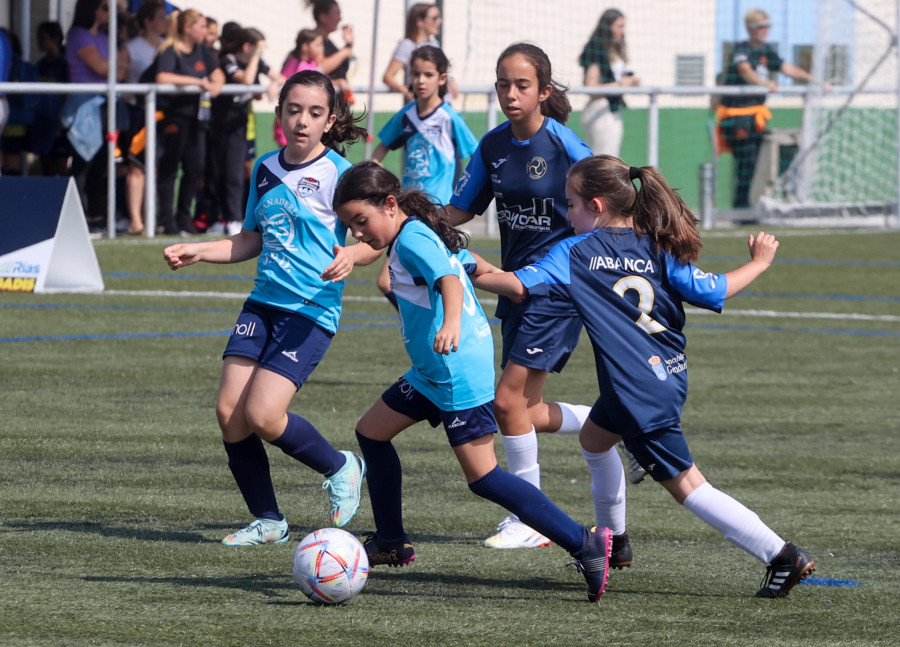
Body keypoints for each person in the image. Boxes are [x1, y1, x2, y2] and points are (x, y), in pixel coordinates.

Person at [473, 154, 816, 598]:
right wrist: (759, 263)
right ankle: (614, 544)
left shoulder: (576, 252)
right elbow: (710, 290)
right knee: (595, 440)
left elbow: (517, 284)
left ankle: (781, 555)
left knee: (690, 487)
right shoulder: (657, 243)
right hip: (664, 377)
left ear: (596, 206)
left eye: (571, 203)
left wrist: (461, 263)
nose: (567, 212)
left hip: (637, 391)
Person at [333, 161, 614, 603]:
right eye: (350, 225)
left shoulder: (411, 240)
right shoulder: (412, 232)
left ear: (389, 205)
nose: (356, 233)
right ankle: (390, 541)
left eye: (360, 222)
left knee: (484, 478)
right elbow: (458, 263)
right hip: (432, 372)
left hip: (453, 371)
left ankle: (585, 542)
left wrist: (450, 324)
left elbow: (448, 279)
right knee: (371, 432)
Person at [163, 70, 379, 546]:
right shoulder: (264, 167)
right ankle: (268, 520)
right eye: (294, 110)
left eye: (315, 113)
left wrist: (351, 254)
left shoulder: (341, 175)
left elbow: (375, 239)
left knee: (262, 415)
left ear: (330, 121)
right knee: (228, 412)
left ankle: (341, 464)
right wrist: (201, 249)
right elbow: (250, 240)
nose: (302, 121)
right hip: (261, 305)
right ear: (279, 112)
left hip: (310, 310)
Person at [447, 42, 625, 550]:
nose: (510, 93)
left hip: (555, 289)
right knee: (525, 408)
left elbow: (608, 210)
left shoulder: (568, 148)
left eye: (522, 85)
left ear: (544, 91)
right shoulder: (492, 146)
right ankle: (619, 424)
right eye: (503, 83)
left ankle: (530, 520)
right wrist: (409, 219)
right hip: (514, 287)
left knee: (506, 404)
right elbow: (460, 210)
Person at [372, 46, 477, 310]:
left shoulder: (449, 117)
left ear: (442, 79)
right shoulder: (407, 115)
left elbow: (476, 158)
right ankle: (439, 318)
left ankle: (448, 320)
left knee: (397, 279)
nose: (420, 80)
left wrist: (462, 197)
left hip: (435, 211)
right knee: (400, 280)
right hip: (407, 209)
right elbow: (382, 145)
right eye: (415, 74)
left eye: (428, 74)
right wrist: (374, 172)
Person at [718, 8, 828, 209]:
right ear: (750, 29)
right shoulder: (740, 49)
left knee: (750, 164)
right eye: (761, 26)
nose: (765, 30)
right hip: (737, 116)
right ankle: (740, 208)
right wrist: (763, 83)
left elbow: (788, 69)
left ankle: (743, 208)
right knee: (745, 162)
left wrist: (815, 81)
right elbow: (745, 71)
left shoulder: (767, 50)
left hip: (755, 117)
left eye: (767, 26)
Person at [154, 8, 224, 235]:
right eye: (202, 26)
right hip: (174, 119)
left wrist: (215, 83)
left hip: (197, 121)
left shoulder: (202, 50)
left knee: (195, 168)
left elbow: (218, 75)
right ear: (187, 28)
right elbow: (163, 77)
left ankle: (184, 218)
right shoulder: (169, 50)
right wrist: (196, 82)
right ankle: (168, 221)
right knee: (169, 170)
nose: (206, 31)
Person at [213, 27, 284, 236]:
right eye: (258, 49)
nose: (261, 55)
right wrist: (255, 56)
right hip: (219, 125)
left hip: (239, 125)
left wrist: (273, 83)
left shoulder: (257, 62)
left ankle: (235, 218)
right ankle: (218, 217)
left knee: (236, 173)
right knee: (216, 173)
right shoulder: (229, 60)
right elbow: (245, 79)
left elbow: (280, 76)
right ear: (248, 47)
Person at [64, 0, 129, 227]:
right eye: (103, 6)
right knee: (83, 161)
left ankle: (96, 215)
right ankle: (75, 215)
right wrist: (115, 62)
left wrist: (114, 63)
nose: (107, 11)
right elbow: (101, 68)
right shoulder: (79, 35)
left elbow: (120, 70)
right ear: (91, 9)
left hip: (105, 104)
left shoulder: (105, 37)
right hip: (85, 107)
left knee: (102, 162)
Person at [121, 1, 167, 235]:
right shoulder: (131, 47)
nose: (165, 21)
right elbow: (122, 81)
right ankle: (135, 221)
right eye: (160, 17)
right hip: (138, 114)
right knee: (137, 167)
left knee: (155, 168)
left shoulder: (167, 47)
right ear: (147, 21)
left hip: (161, 114)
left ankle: (151, 218)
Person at [578, 8, 640, 157]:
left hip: (611, 111)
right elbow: (589, 86)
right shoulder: (596, 50)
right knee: (604, 162)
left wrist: (630, 82)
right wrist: (620, 85)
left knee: (609, 159)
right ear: (608, 27)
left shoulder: (614, 51)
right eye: (619, 26)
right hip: (600, 110)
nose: (622, 31)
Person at [381, 3, 444, 101]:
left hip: (441, 103)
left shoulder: (434, 43)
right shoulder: (408, 45)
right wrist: (407, 91)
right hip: (421, 106)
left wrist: (451, 82)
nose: (439, 21)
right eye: (435, 18)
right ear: (420, 21)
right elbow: (388, 76)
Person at [32, 21, 71, 177]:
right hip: (43, 122)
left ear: (54, 39)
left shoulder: (65, 64)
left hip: (60, 123)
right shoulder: (40, 65)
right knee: (46, 166)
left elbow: (67, 94)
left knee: (61, 165)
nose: (39, 42)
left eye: (42, 38)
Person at [274, 29, 325, 148]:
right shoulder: (294, 63)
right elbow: (282, 83)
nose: (321, 49)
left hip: (307, 119)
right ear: (305, 46)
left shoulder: (312, 63)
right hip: (292, 120)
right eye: (317, 45)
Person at [307, 0, 355, 103]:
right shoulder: (313, 40)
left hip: (337, 103)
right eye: (337, 14)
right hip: (322, 103)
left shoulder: (329, 42)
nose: (340, 19)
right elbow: (319, 68)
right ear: (323, 17)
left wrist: (348, 45)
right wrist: (345, 51)